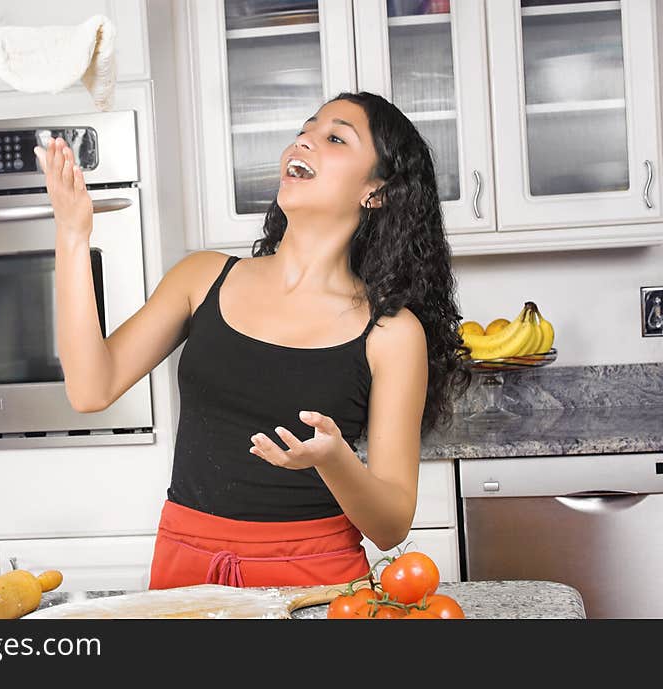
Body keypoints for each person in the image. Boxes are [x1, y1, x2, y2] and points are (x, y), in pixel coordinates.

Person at [36, 91, 471, 589]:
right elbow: (90, 389)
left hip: (314, 580)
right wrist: (72, 234)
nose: (304, 140)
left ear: (375, 191)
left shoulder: (392, 333)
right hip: (186, 571)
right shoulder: (201, 278)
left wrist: (334, 459)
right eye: (306, 129)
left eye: (334, 138)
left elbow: (391, 526)